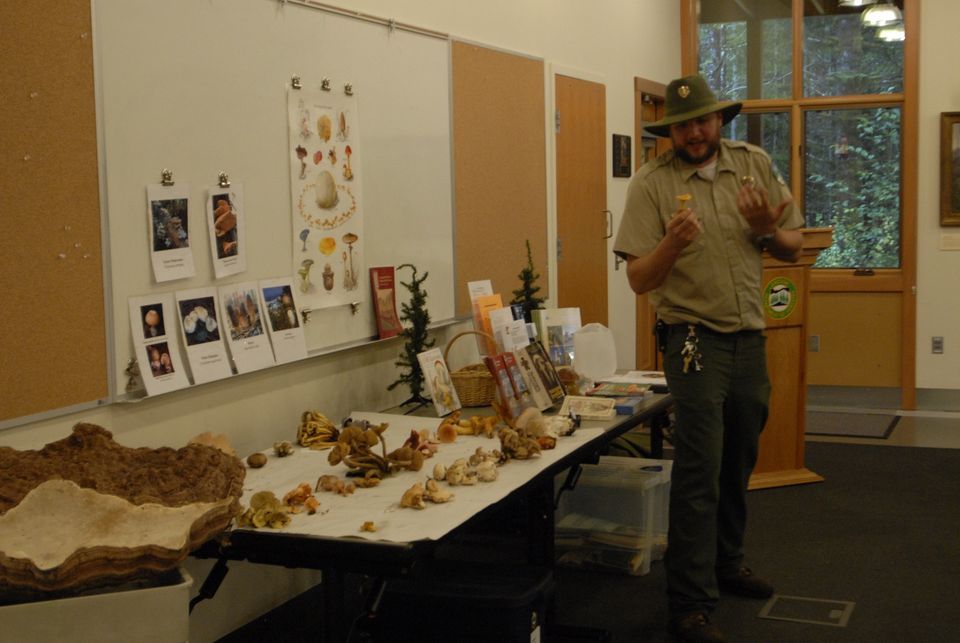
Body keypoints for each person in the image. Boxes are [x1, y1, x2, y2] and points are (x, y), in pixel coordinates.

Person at [613, 74, 804, 643]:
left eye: (702, 120)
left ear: (720, 120)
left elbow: (793, 247)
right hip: (694, 341)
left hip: (749, 339)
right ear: (669, 129)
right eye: (682, 124)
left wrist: (768, 231)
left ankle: (727, 562)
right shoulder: (650, 183)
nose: (694, 132)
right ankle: (689, 605)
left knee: (740, 453)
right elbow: (638, 279)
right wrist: (671, 243)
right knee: (699, 468)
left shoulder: (753, 164)